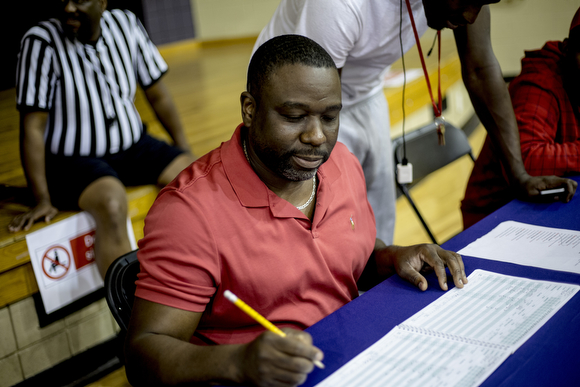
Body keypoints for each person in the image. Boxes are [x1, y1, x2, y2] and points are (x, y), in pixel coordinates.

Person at [124, 34, 467, 387]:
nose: (317, 136)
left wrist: (392, 257)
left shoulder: (342, 164)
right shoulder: (190, 212)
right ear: (250, 109)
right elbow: (142, 355)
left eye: (330, 117)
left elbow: (346, 264)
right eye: (294, 116)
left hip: (353, 363)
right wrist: (238, 361)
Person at [253, 0, 577, 244]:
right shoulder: (339, 5)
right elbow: (314, 105)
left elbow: (480, 69)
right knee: (320, 219)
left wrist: (519, 175)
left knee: (376, 221)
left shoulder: (465, 1)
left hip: (366, 90)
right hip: (297, 101)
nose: (470, 17)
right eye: (467, 2)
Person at [8, 0, 195, 278]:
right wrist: (42, 198)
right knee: (111, 203)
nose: (69, 8)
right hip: (74, 159)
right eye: (63, 0)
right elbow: (33, 127)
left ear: (102, 3)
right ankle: (129, 312)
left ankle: (190, 281)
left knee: (194, 178)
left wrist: (182, 149)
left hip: (133, 144)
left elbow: (158, 95)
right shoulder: (41, 42)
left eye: (79, 0)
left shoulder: (126, 24)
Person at [461, 7, 580, 228]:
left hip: (551, 206)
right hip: (498, 215)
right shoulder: (542, 81)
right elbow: (527, 160)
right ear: (567, 46)